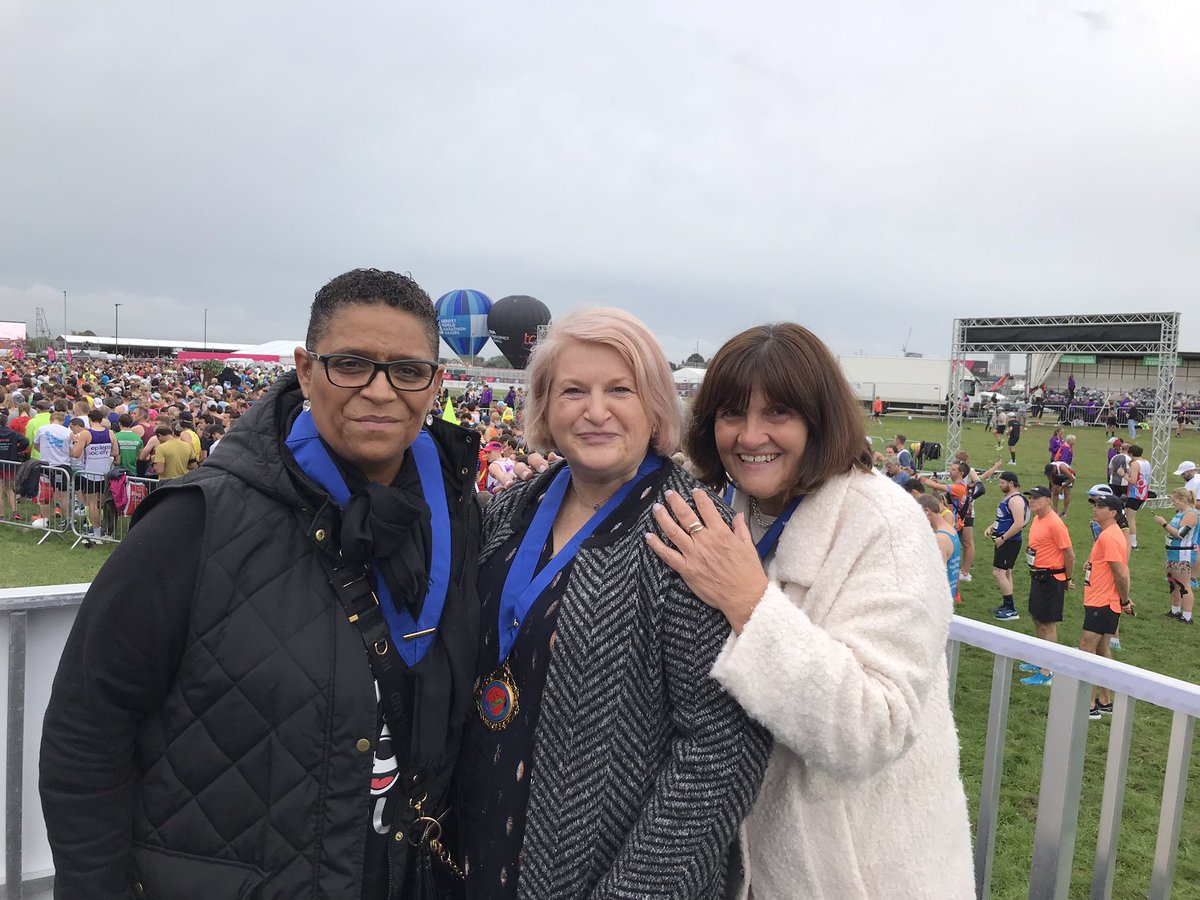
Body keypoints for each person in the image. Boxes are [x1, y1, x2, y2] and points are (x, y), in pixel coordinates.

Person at [41, 268, 483, 899]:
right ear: (305, 371)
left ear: (435, 383)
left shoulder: (458, 518)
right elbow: (86, 729)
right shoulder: (196, 522)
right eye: (352, 364)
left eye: (407, 370)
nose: (381, 391)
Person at [647, 322, 974, 899]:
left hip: (863, 876)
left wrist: (750, 603)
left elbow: (877, 725)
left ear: (819, 420)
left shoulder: (886, 525)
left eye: (778, 414)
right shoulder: (726, 510)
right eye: (730, 413)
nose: (751, 436)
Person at [457, 309, 769, 900]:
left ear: (655, 408)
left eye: (619, 390)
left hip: (600, 873)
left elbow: (723, 750)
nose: (595, 410)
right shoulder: (504, 513)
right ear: (546, 407)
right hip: (474, 851)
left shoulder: (692, 531)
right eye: (573, 390)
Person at [1081, 493, 1135, 719]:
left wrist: (1124, 600)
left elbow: (1121, 573)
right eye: (1094, 504)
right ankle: (1105, 700)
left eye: (1100, 506)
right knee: (1102, 650)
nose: (1095, 508)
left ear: (1113, 513)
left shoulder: (1110, 536)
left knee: (1086, 649)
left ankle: (1089, 705)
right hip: (1102, 600)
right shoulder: (1109, 534)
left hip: (1102, 601)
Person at [1018, 486, 1075, 686]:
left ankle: (1048, 670)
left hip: (1052, 578)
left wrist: (1068, 579)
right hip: (1038, 575)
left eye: (1035, 498)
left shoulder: (1055, 524)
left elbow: (1069, 554)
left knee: (1047, 623)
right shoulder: (1036, 519)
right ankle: (1040, 659)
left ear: (1047, 500)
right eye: (1030, 498)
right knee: (1037, 618)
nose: (1031, 501)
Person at [986, 471, 1028, 622]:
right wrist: (992, 527)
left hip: (1009, 541)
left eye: (1002, 483)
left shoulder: (1016, 500)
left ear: (1011, 483)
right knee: (1006, 572)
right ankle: (1007, 605)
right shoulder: (1008, 498)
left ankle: (1011, 609)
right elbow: (1004, 518)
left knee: (998, 573)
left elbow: (1018, 524)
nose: (1000, 485)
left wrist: (1003, 538)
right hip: (1004, 540)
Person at [1154, 488, 1197, 623]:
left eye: (1174, 501)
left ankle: (1187, 616)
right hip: (1172, 552)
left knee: (1184, 585)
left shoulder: (1191, 515)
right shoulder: (1180, 513)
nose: (1173, 504)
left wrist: (1164, 523)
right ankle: (1175, 610)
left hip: (1183, 554)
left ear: (1183, 500)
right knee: (1173, 583)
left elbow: (1180, 534)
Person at [918, 493, 961, 604]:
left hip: (938, 601)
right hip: (948, 595)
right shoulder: (950, 530)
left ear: (927, 511)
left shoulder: (940, 539)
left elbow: (937, 576)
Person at [1125, 444, 1151, 549]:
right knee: (1130, 517)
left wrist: (1123, 474)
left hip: (1134, 494)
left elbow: (1133, 480)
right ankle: (1131, 541)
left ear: (1131, 454)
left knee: (1130, 518)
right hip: (1143, 493)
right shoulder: (1146, 462)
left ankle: (1133, 543)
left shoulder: (1135, 464)